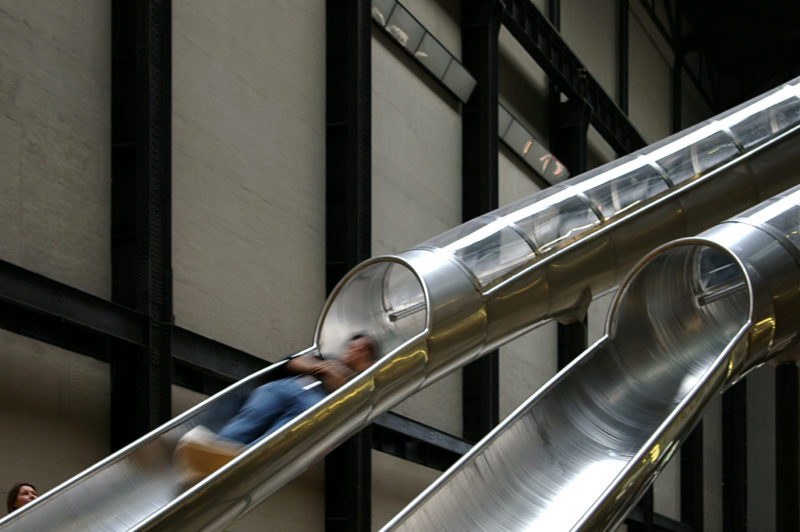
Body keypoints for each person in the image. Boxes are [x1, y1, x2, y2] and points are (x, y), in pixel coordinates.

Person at [174, 334, 377, 484]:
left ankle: (241, 460)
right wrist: (323, 369)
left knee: (277, 435)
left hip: (312, 405)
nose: (354, 351)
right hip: (287, 387)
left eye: (361, 350)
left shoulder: (364, 382)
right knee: (251, 418)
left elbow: (344, 397)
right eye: (352, 346)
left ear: (368, 359)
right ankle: (213, 452)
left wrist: (332, 376)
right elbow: (294, 362)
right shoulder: (327, 358)